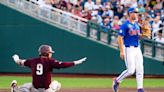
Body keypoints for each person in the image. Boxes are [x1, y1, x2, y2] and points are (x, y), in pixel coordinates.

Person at [11, 44, 87, 92]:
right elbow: (63, 65)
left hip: (35, 90)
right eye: (50, 53)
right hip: (47, 90)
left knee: (27, 85)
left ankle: (16, 89)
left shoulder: (32, 61)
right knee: (57, 84)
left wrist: (16, 59)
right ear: (47, 53)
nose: (51, 54)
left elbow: (20, 62)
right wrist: (75, 62)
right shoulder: (50, 61)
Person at [112, 8, 145, 92]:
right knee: (131, 70)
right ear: (130, 13)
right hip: (128, 48)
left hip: (137, 48)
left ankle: (140, 88)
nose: (136, 14)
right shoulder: (125, 25)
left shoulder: (136, 25)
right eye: (135, 12)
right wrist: (121, 51)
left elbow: (137, 36)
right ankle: (117, 80)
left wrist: (142, 35)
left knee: (140, 69)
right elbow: (119, 38)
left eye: (137, 12)